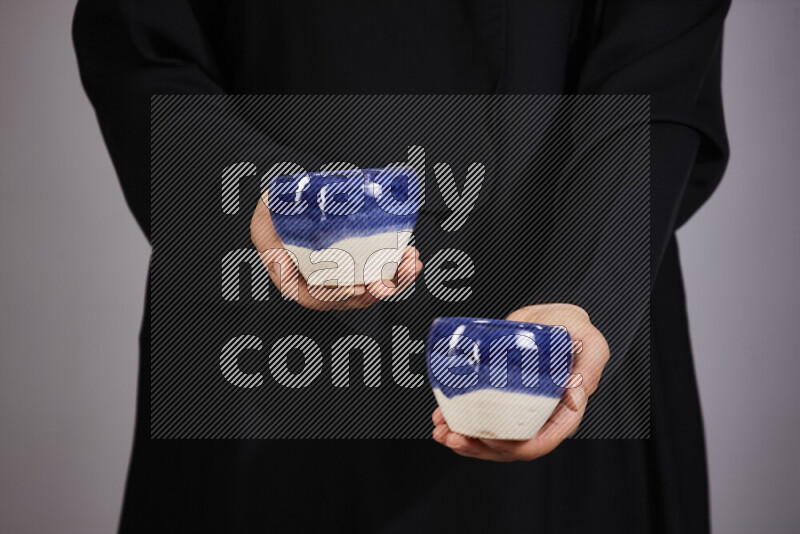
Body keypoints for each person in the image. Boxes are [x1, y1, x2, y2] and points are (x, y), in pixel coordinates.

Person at [73, 1, 731, 532]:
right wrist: (254, 201)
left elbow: (658, 68)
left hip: (562, 342)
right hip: (262, 349)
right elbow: (142, 45)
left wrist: (588, 290)